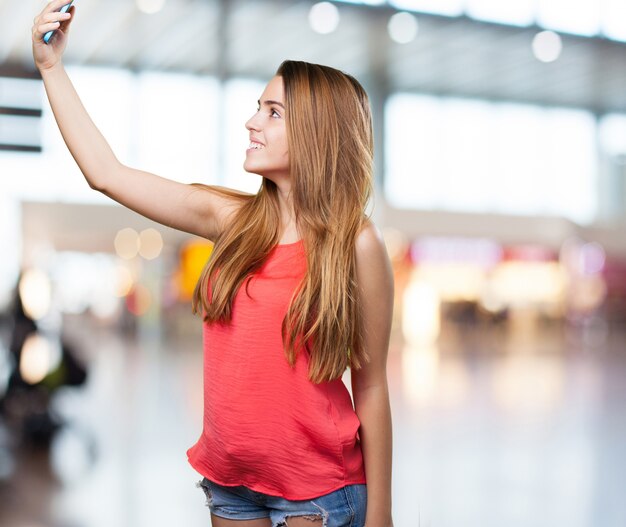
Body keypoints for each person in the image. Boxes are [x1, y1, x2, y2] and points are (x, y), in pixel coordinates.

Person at [31, 2, 395, 526]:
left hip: (319, 491)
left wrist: (380, 515)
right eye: (257, 107)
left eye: (273, 112)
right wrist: (51, 70)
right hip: (231, 484)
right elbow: (105, 173)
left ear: (318, 132)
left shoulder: (357, 242)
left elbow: (373, 384)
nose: (251, 122)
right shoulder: (232, 219)